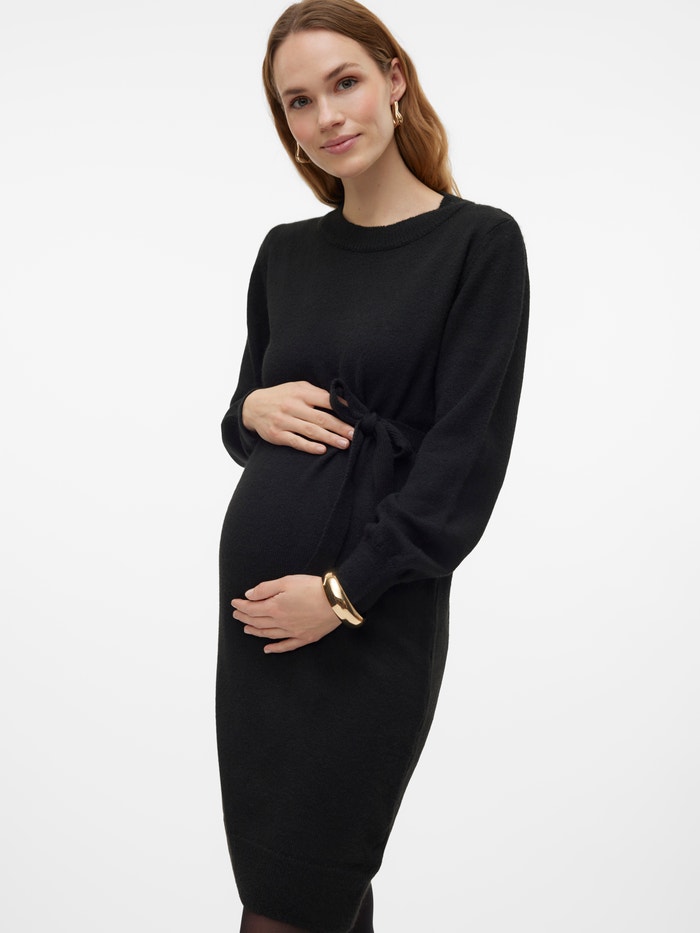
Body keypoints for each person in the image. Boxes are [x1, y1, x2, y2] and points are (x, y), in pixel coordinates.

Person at [216, 1, 529, 930]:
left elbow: (464, 463)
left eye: (344, 83)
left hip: (371, 620)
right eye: (299, 101)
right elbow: (245, 424)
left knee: (293, 899)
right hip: (260, 637)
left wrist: (343, 591)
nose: (326, 117)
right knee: (309, 898)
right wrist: (246, 410)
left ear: (394, 80)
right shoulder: (285, 253)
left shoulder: (479, 245)